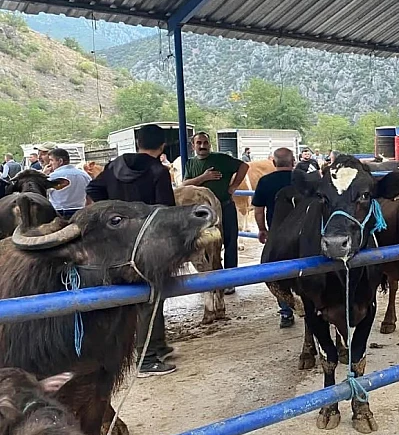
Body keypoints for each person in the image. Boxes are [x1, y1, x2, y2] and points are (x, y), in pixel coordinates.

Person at [86, 124, 177, 377]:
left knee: (140, 296)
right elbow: (165, 211)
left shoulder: (114, 166)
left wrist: (113, 214)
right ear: (162, 147)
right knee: (150, 295)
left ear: (138, 142)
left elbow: (93, 189)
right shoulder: (158, 171)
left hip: (115, 243)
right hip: (146, 243)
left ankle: (156, 345)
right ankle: (146, 358)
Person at [182, 132, 249, 285]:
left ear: (210, 144)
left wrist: (233, 186)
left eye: (205, 142)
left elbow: (244, 166)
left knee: (230, 243)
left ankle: (230, 280)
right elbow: (184, 184)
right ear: (193, 146)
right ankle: (211, 279)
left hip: (225, 206)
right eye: (199, 143)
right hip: (203, 214)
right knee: (206, 245)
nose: (202, 146)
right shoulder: (190, 163)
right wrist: (204, 177)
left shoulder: (221, 158)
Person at [252, 148, 296, 328]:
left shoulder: (265, 181)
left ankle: (286, 312)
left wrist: (262, 229)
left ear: (274, 163)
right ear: (293, 161)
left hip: (277, 235)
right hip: (304, 233)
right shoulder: (304, 181)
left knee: (277, 273)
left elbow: (258, 210)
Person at [47, 148, 90, 219]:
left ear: (60, 161)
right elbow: (89, 196)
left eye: (51, 160)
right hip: (80, 212)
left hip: (59, 213)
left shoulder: (52, 176)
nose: (50, 164)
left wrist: (43, 174)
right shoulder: (84, 175)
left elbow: (42, 193)